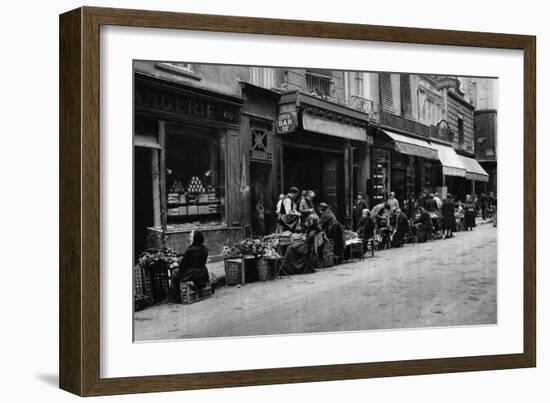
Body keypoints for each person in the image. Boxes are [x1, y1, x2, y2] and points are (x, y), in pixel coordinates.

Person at [170, 230, 210, 301]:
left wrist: (177, 263)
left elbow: (183, 266)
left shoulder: (191, 250)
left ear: (195, 238)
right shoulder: (205, 249)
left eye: (191, 237)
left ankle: (176, 297)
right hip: (203, 273)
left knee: (174, 273)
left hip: (193, 274)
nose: (189, 239)